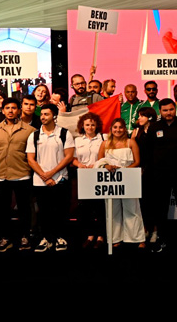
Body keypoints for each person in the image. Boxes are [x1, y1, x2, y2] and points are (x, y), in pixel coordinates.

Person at [26, 104, 75, 252]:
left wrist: (52, 173)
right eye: (42, 114)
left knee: (60, 210)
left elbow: (68, 157)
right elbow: (31, 159)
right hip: (40, 181)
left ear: (54, 116)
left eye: (46, 114)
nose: (43, 117)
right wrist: (44, 176)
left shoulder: (64, 133)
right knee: (43, 212)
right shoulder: (34, 135)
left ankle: (60, 238)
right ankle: (45, 239)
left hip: (60, 179)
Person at [0, 98, 35, 252]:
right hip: (1, 174)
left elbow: (32, 154)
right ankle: (6, 238)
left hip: (22, 173)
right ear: (2, 110)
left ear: (19, 110)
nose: (10, 111)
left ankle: (25, 236)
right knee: (2, 209)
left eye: (14, 108)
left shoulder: (30, 130)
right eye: (7, 108)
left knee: (24, 208)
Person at [147, 98, 177, 252]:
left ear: (175, 109)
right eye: (165, 110)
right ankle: (162, 238)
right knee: (161, 207)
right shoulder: (154, 128)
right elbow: (148, 151)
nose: (168, 113)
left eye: (171, 109)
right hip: (160, 174)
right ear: (160, 111)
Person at [97, 118, 145, 249]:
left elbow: (137, 162)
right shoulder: (104, 143)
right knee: (112, 210)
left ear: (124, 129)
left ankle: (137, 238)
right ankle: (114, 238)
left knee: (132, 209)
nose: (118, 130)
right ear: (111, 129)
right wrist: (106, 166)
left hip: (129, 178)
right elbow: (100, 161)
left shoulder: (131, 142)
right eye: (115, 127)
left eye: (120, 127)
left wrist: (124, 171)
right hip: (110, 181)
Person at [72, 112, 106, 249]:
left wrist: (97, 164)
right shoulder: (77, 141)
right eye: (87, 125)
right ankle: (90, 236)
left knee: (100, 207)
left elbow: (108, 156)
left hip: (99, 176)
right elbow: (72, 158)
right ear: (82, 126)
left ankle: (101, 236)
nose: (90, 127)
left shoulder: (103, 138)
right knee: (85, 208)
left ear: (97, 125)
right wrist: (79, 165)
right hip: (83, 176)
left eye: (92, 124)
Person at [132, 106, 158, 244]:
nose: (139, 118)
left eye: (142, 116)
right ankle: (145, 229)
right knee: (143, 202)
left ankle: (155, 230)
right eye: (139, 116)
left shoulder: (157, 130)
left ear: (150, 117)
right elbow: (132, 150)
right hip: (141, 170)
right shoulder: (137, 132)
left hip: (155, 170)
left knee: (155, 202)